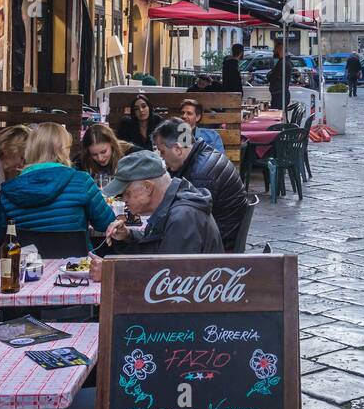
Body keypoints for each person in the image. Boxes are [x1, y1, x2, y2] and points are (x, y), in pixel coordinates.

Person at [0, 123, 116, 243]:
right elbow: (107, 224)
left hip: (26, 262)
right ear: (63, 150)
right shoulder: (82, 181)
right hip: (76, 261)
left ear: (30, 149)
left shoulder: (9, 189)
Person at [152, 119, 249, 250]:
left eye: (162, 152)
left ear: (177, 149)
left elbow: (186, 220)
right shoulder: (201, 156)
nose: (161, 159)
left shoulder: (200, 174)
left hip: (216, 247)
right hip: (220, 236)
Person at [103, 151, 222, 254]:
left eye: (126, 193)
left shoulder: (183, 216)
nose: (123, 200)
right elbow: (158, 248)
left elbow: (168, 275)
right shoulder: (174, 205)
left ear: (147, 187)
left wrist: (112, 271)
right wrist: (128, 236)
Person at [266, 40, 287, 110]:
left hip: (279, 95)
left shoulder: (282, 63)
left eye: (275, 49)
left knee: (276, 115)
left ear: (279, 50)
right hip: (280, 94)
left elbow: (271, 77)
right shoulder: (283, 62)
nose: (273, 51)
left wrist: (269, 74)